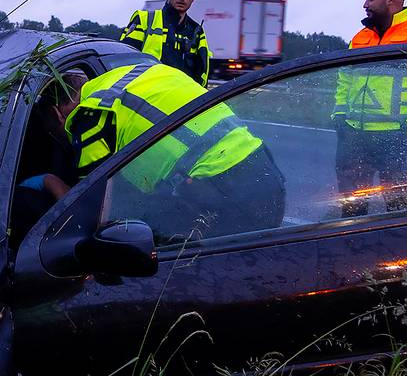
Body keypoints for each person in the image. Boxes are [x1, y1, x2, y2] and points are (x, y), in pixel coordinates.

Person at [20, 61, 284, 243]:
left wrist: (49, 181)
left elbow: (90, 215)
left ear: (56, 113)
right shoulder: (136, 74)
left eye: (55, 132)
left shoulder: (90, 114)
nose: (64, 139)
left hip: (225, 194)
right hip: (265, 172)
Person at [332, 0, 407, 216]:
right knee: (351, 207)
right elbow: (344, 79)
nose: (364, 4)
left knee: (398, 208)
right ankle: (353, 248)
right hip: (355, 135)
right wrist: (340, 115)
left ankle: (401, 252)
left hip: (394, 137)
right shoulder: (360, 38)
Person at [119, 0, 211, 86]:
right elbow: (122, 62)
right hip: (144, 96)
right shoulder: (144, 21)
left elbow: (202, 77)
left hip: (181, 100)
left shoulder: (196, 32)